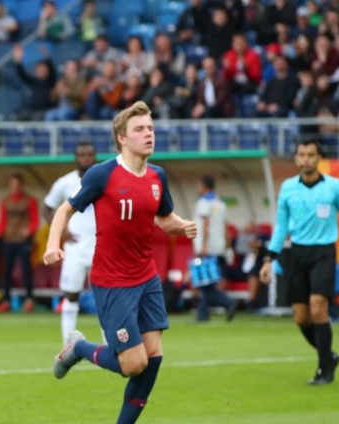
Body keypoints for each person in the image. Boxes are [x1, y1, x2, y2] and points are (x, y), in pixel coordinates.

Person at [45, 101, 197, 424]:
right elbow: (64, 210)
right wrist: (52, 243)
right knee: (132, 364)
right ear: (122, 138)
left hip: (147, 278)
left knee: (153, 356)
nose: (148, 135)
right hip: (112, 281)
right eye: (140, 129)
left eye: (151, 128)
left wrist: (182, 225)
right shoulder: (103, 174)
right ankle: (80, 348)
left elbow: (164, 219)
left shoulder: (158, 176)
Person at [260, 139, 339, 385]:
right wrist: (269, 260)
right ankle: (329, 356)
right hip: (297, 253)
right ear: (296, 159)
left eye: (311, 154)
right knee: (300, 316)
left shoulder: (334, 187)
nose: (306, 159)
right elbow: (281, 227)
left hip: (323, 253)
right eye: (301, 154)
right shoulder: (287, 188)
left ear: (318, 158)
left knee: (318, 307)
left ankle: (323, 371)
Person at [42, 142, 97, 344]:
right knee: (71, 294)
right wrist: (62, 232)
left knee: (105, 296)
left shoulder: (103, 180)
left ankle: (110, 343)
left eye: (89, 154)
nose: (86, 158)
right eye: (82, 154)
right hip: (75, 248)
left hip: (101, 245)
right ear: (76, 157)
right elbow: (47, 208)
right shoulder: (65, 182)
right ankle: (68, 344)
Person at [189, 175, 237, 322]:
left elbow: (205, 224)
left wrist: (203, 246)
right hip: (219, 247)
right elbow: (225, 227)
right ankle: (202, 314)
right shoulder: (220, 204)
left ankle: (228, 303)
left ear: (203, 187)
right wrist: (228, 247)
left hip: (207, 247)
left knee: (205, 282)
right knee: (207, 283)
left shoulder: (203, 203)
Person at [0, 173, 40, 313]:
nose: (14, 187)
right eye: (12, 184)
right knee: (7, 271)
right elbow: (2, 221)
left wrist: (30, 231)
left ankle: (29, 299)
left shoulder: (30, 200)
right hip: (9, 240)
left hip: (23, 240)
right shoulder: (5, 201)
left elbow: (35, 220)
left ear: (21, 185)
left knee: (26, 270)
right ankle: (6, 300)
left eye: (17, 184)